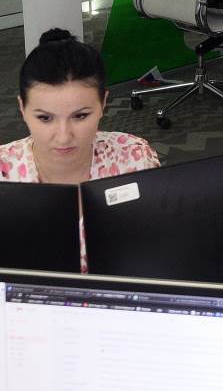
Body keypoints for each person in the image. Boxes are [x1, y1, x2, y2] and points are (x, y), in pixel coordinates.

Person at [1, 30, 160, 270]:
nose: (64, 136)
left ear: (103, 103)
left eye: (80, 116)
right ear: (22, 108)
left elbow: (155, 242)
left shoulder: (133, 158)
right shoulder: (3, 171)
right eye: (45, 118)